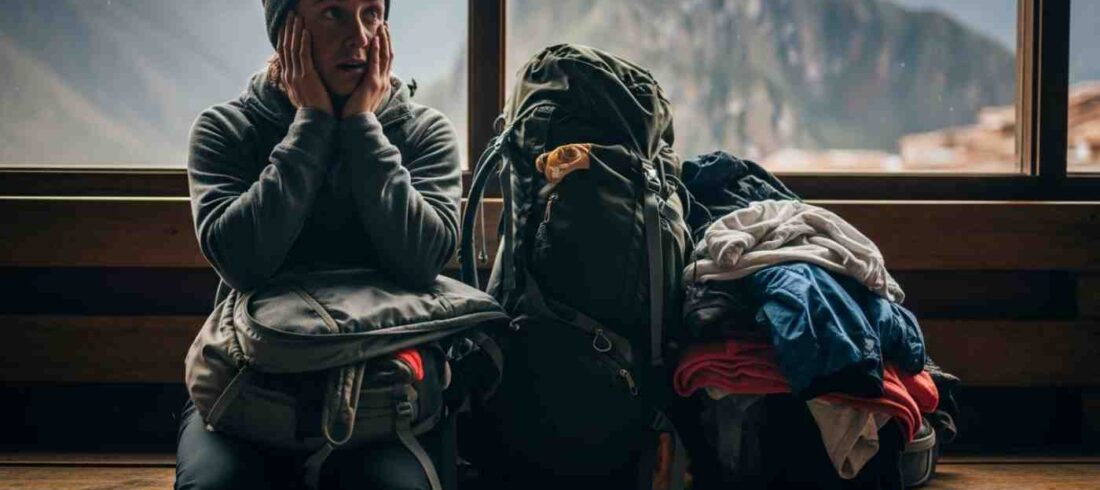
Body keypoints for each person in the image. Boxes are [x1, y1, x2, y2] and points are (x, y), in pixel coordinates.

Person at [175, 0, 463, 488]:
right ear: (285, 29)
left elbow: (422, 261)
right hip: (250, 391)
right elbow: (243, 263)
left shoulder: (423, 133)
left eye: (371, 12)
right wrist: (311, 126)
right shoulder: (226, 130)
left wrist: (362, 131)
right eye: (333, 12)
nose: (360, 35)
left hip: (385, 396)